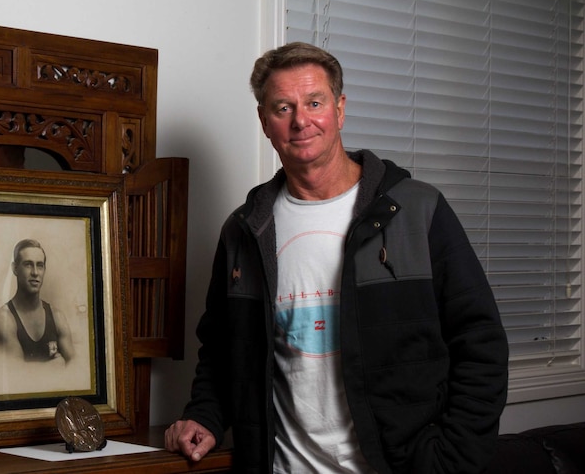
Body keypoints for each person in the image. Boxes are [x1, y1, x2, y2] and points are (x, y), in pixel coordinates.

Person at [165, 42, 509, 474]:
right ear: (264, 122)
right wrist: (205, 415)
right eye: (283, 107)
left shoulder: (418, 211)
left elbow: (481, 342)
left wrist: (452, 459)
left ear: (340, 109)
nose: (301, 121)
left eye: (314, 102)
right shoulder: (245, 230)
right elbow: (221, 348)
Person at [0, 238, 75, 364]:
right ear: (15, 268)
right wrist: (55, 366)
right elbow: (17, 375)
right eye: (28, 264)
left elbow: (76, 368)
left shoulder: (57, 317)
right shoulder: (3, 319)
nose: (35, 272)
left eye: (40, 265)